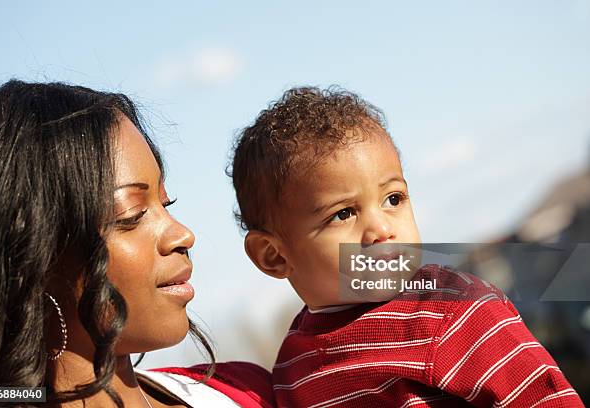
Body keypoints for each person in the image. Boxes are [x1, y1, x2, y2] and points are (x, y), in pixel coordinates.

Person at [229, 87, 584, 407]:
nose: (382, 229)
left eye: (393, 198)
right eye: (343, 214)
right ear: (273, 256)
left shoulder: (453, 311)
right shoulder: (294, 366)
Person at [0, 80, 274, 407]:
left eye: (166, 203)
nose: (183, 235)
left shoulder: (247, 392)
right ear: (34, 255)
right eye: (131, 215)